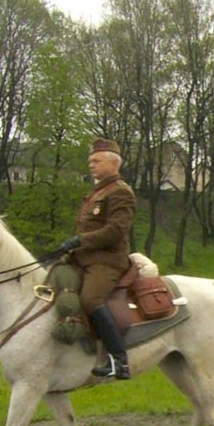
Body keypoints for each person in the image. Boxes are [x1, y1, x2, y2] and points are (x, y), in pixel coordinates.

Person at [58, 138, 136, 380]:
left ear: (113, 163)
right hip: (85, 258)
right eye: (90, 161)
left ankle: (118, 361)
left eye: (96, 160)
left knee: (90, 299)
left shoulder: (120, 192)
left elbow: (116, 231)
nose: (90, 165)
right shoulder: (97, 192)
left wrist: (81, 240)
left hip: (107, 261)